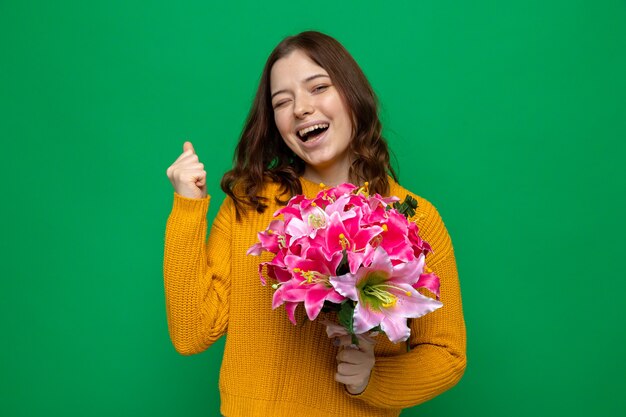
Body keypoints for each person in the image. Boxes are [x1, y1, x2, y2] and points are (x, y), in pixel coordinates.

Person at [164, 31, 466, 417]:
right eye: (282, 102)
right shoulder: (251, 202)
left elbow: (447, 353)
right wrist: (189, 209)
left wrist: (371, 380)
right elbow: (192, 333)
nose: (301, 109)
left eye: (318, 87)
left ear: (352, 93)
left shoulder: (412, 216)